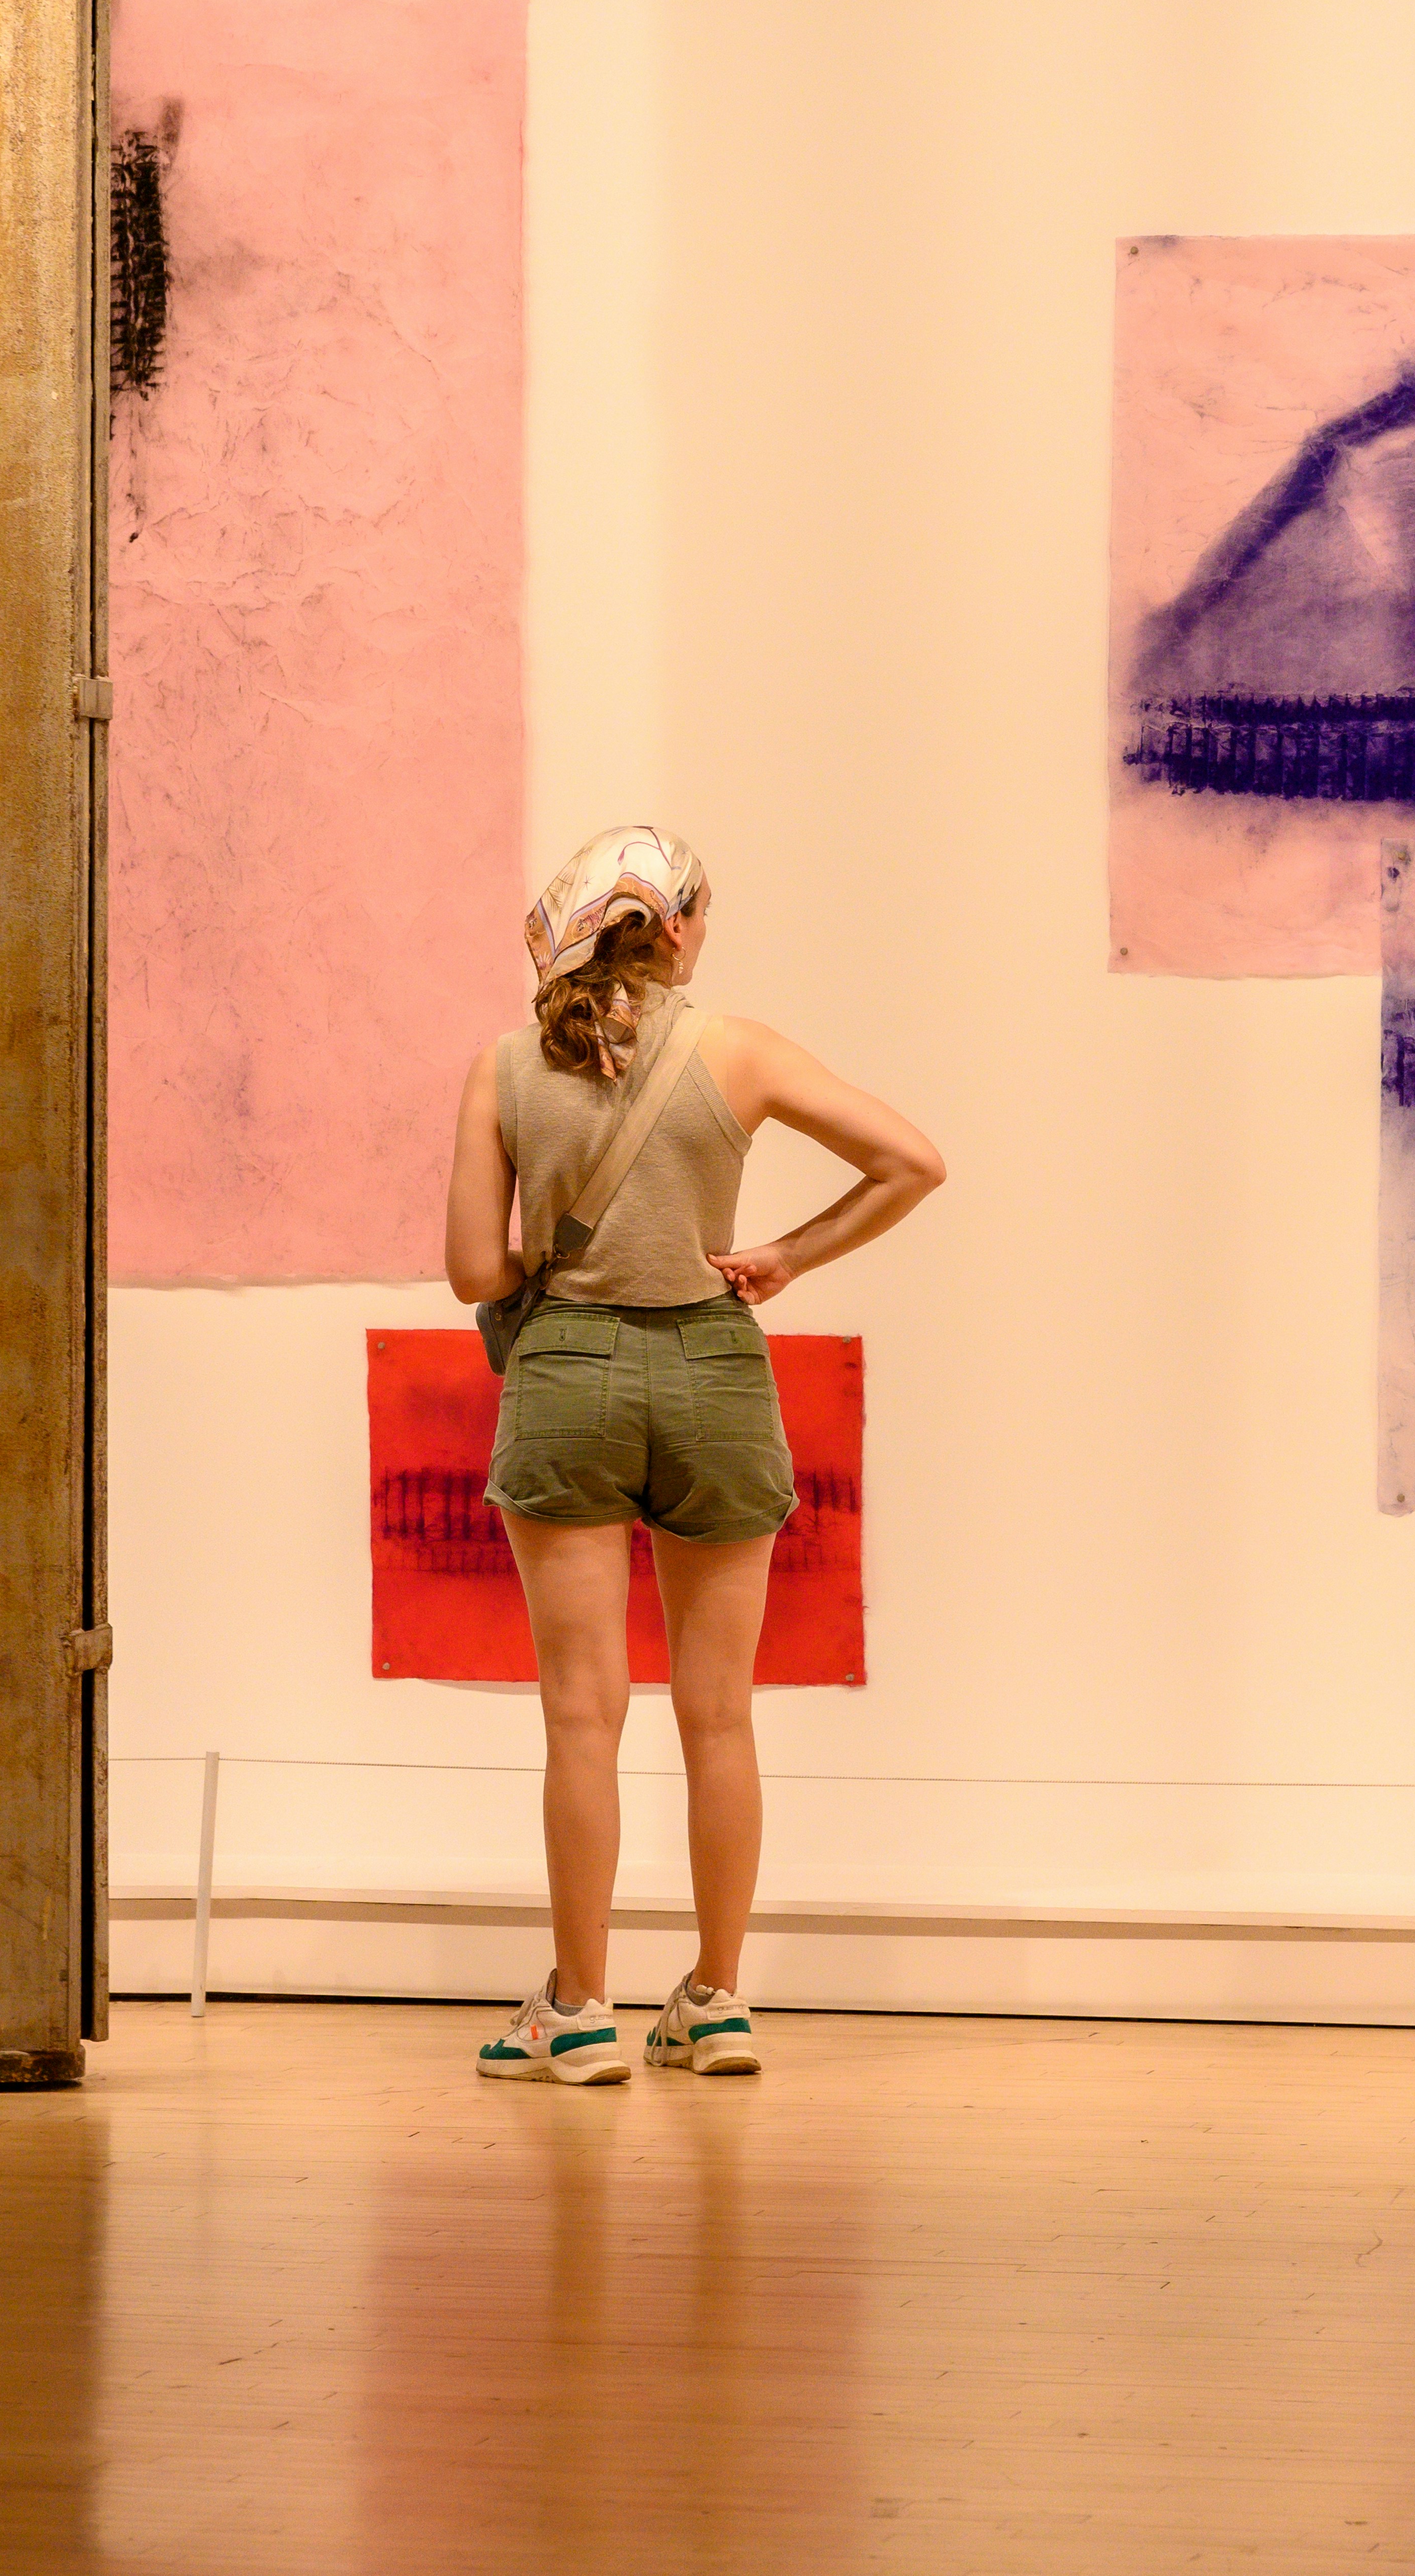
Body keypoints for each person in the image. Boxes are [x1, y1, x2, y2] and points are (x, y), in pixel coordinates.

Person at [444, 825, 945, 2084]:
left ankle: (578, 2011)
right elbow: (913, 1163)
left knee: (581, 1716)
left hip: (566, 1379)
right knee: (719, 1716)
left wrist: (559, 1269)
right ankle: (716, 1999)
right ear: (672, 930)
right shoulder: (742, 1050)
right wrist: (785, 1253)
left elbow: (470, 1271)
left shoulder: (502, 1069)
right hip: (717, 1379)